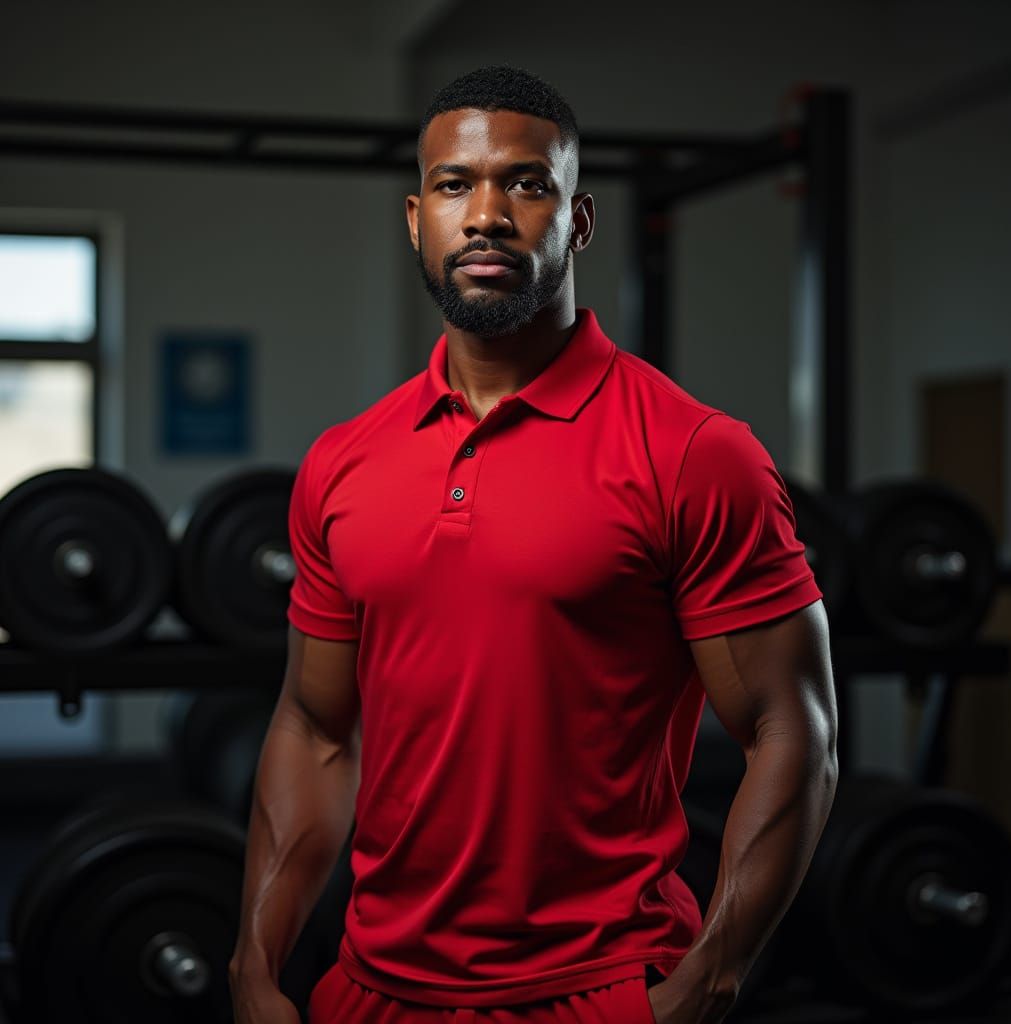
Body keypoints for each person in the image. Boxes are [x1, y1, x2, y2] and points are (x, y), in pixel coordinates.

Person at [229, 65, 838, 1024]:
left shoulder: (692, 453)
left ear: (578, 219)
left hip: (597, 989)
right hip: (371, 988)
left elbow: (793, 727)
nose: (485, 215)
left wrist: (707, 980)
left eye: (525, 182)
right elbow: (315, 727)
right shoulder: (342, 463)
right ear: (416, 219)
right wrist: (253, 966)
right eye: (453, 185)